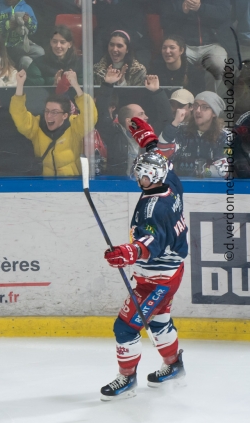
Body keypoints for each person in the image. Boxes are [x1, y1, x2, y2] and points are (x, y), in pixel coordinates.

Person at [100, 119, 188, 400]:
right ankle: (174, 366)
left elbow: (152, 242)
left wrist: (130, 252)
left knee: (125, 328)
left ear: (152, 177)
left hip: (157, 281)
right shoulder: (169, 182)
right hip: (170, 273)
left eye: (143, 176)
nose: (139, 180)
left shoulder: (154, 208)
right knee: (160, 321)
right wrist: (149, 142)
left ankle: (126, 380)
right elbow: (163, 162)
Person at [160, 0, 231, 89]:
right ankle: (182, 101)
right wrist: (182, 11)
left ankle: (209, 101)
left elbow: (224, 13)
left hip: (212, 43)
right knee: (172, 59)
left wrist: (201, 8)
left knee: (218, 63)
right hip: (184, 45)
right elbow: (165, 22)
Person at [10, 69, 97, 176]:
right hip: (45, 184)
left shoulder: (74, 127)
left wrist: (76, 85)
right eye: (47, 111)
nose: (49, 116)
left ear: (65, 115)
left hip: (72, 184)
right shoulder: (37, 127)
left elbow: (90, 115)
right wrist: (19, 85)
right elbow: (19, 115)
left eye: (55, 112)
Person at [95, 70, 173, 176]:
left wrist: (157, 92)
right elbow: (102, 112)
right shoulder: (114, 134)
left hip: (144, 186)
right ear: (129, 121)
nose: (146, 117)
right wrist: (107, 85)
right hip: (119, 187)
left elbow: (167, 119)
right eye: (141, 114)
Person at [159, 91, 230, 177]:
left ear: (214, 113)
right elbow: (162, 154)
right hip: (180, 185)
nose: (198, 110)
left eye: (204, 107)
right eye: (196, 106)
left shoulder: (225, 136)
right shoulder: (180, 130)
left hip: (212, 188)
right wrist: (175, 123)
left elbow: (223, 170)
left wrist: (195, 172)